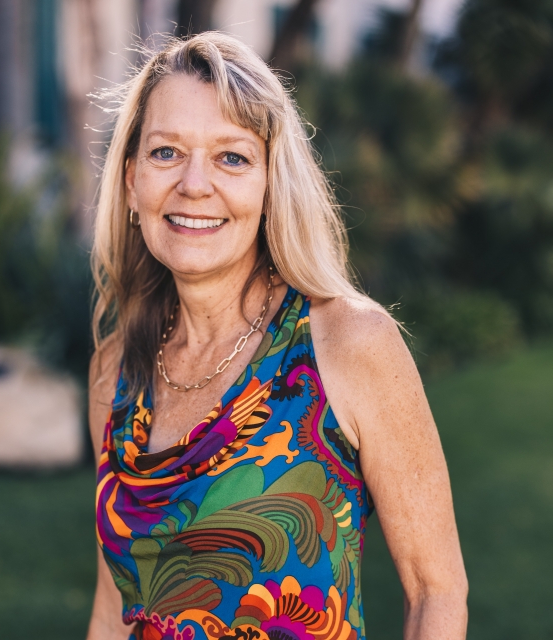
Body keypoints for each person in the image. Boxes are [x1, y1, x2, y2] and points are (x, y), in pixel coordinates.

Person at [86, 32, 467, 640]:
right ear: (132, 180)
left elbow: (437, 591)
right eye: (166, 153)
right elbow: (114, 603)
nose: (193, 184)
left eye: (231, 157)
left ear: (270, 186)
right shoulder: (117, 371)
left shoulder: (347, 343)